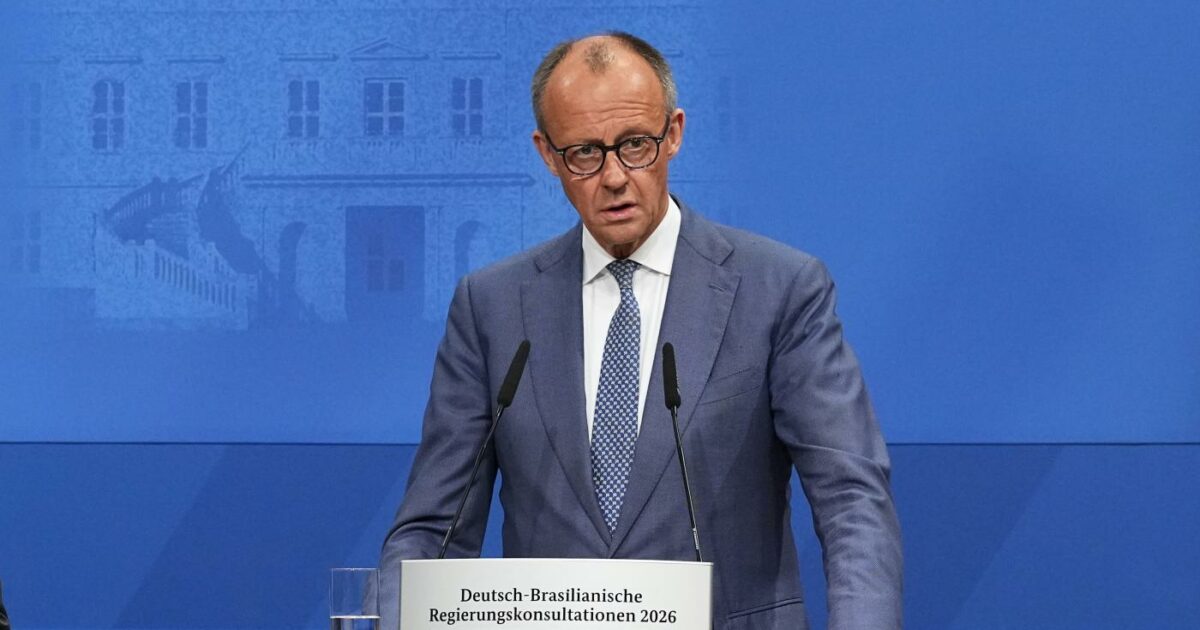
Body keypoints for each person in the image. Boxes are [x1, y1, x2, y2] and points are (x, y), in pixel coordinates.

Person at [380, 32, 902, 630]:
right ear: (547, 154)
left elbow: (851, 501)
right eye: (584, 153)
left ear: (673, 133)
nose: (614, 177)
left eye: (635, 145)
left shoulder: (779, 289)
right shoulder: (492, 307)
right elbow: (432, 530)